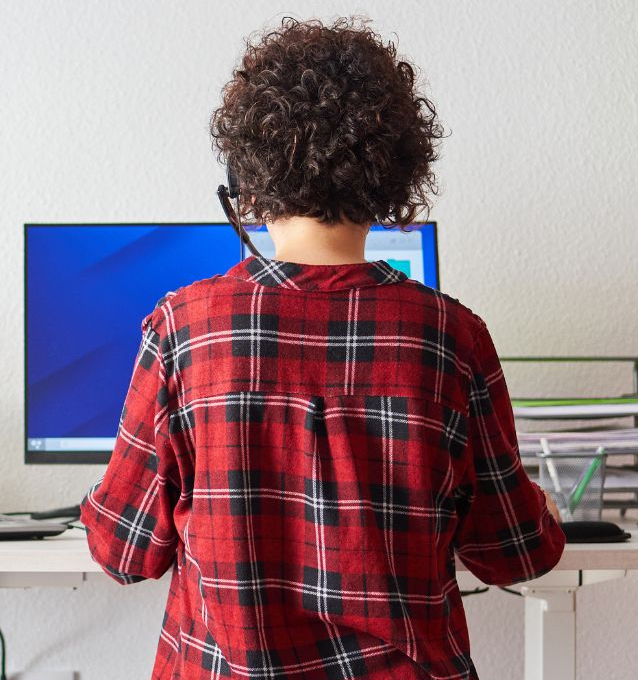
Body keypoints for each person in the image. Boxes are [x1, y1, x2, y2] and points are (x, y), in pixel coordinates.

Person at [80, 17, 565, 680]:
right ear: (394, 179)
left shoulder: (183, 330)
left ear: (245, 178)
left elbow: (123, 552)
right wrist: (543, 510)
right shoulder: (450, 337)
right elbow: (514, 553)